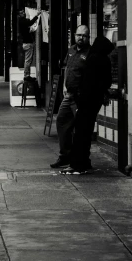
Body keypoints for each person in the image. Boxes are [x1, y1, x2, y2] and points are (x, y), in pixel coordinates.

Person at [66, 35, 113, 174]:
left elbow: (87, 81)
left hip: (86, 101)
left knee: (80, 132)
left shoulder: (93, 59)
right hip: (95, 101)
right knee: (86, 131)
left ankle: (77, 164)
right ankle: (83, 162)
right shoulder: (105, 60)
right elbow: (107, 81)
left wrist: (79, 97)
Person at [50, 25, 91, 170]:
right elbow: (66, 67)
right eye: (79, 35)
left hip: (80, 97)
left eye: (84, 36)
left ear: (88, 37)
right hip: (69, 94)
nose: (81, 38)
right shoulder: (72, 50)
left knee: (81, 129)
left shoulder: (89, 53)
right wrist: (64, 87)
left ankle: (83, 159)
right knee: (61, 121)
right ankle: (65, 156)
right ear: (75, 35)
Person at [17, 5, 40, 78]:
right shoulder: (22, 21)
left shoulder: (22, 21)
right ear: (19, 15)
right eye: (21, 13)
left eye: (23, 12)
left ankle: (27, 74)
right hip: (28, 43)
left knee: (28, 60)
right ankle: (26, 75)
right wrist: (36, 16)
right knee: (28, 60)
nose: (23, 13)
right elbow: (30, 23)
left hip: (26, 43)